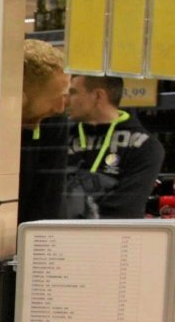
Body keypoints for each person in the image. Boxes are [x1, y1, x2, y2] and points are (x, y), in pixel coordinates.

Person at [62, 75, 164, 219]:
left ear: (98, 95)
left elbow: (126, 208)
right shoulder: (61, 137)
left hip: (112, 237)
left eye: (73, 92)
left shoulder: (146, 146)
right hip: (57, 235)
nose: (66, 100)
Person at [16, 38, 71, 224]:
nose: (61, 107)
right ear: (20, 96)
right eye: (56, 98)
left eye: (65, 96)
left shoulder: (53, 122)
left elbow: (49, 200)